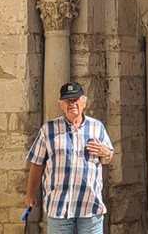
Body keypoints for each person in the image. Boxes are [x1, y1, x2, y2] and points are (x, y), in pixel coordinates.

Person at [25, 81, 115, 234]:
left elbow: (107, 158)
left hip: (90, 207)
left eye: (75, 100)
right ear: (61, 105)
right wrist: (30, 194)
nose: (72, 104)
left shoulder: (97, 127)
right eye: (68, 101)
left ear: (84, 102)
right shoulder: (48, 129)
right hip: (59, 207)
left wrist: (105, 152)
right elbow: (37, 164)